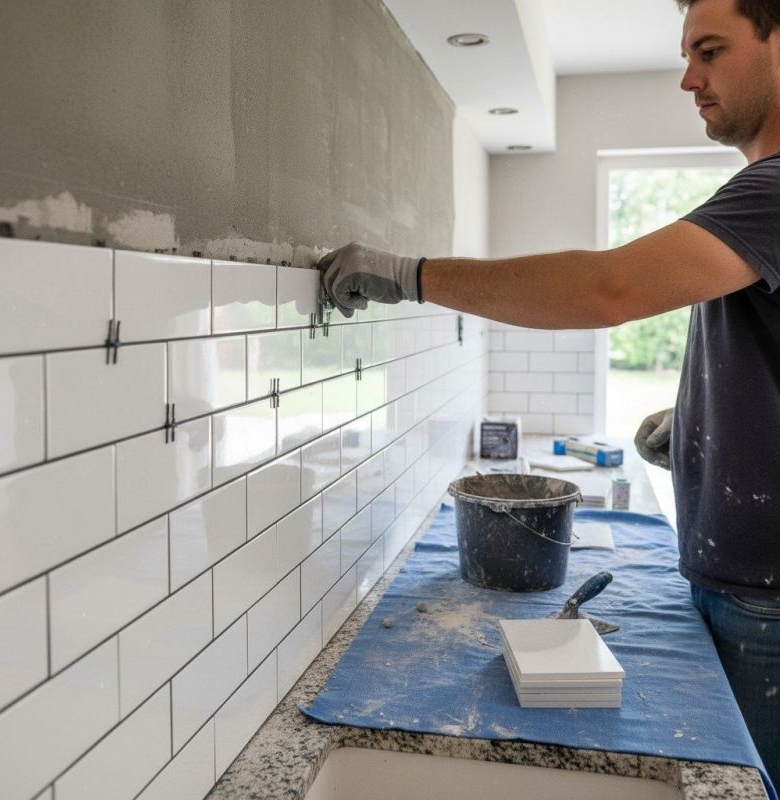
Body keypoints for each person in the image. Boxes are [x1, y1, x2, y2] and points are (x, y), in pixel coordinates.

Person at [318, 0, 780, 786]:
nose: (688, 78)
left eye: (710, 50)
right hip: (743, 587)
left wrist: (410, 275)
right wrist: (701, 422)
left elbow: (606, 288)